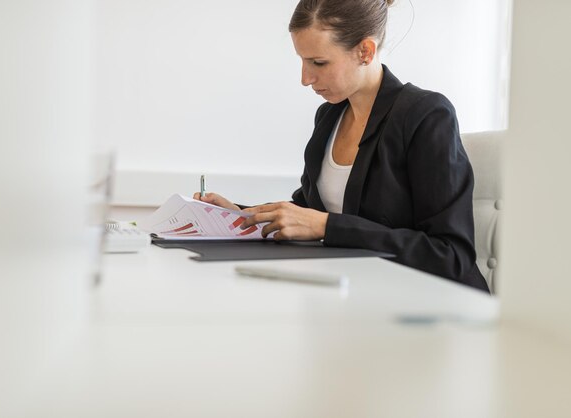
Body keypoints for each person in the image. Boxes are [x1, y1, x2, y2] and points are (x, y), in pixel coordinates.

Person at [193, 0, 489, 293]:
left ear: (365, 51)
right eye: (302, 60)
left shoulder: (425, 114)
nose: (305, 79)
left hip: (434, 311)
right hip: (361, 298)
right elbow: (308, 214)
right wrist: (242, 216)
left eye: (318, 63)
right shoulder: (329, 116)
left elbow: (450, 255)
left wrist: (327, 227)